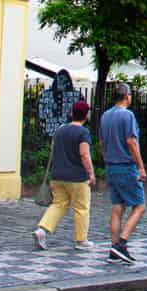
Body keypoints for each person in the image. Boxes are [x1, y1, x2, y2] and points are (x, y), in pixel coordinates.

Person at [33, 100, 97, 251]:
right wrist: (91, 173)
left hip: (58, 175)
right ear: (86, 115)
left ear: (72, 113)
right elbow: (84, 155)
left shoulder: (60, 130)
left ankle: (42, 230)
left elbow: (53, 150)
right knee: (81, 207)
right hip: (77, 178)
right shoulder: (83, 132)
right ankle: (81, 240)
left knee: (58, 204)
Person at [100, 82, 147, 264]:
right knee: (139, 206)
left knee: (117, 207)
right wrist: (141, 167)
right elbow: (131, 142)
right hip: (126, 166)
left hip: (111, 165)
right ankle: (121, 243)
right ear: (127, 96)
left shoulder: (105, 116)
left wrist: (107, 159)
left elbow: (102, 142)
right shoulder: (127, 115)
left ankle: (114, 249)